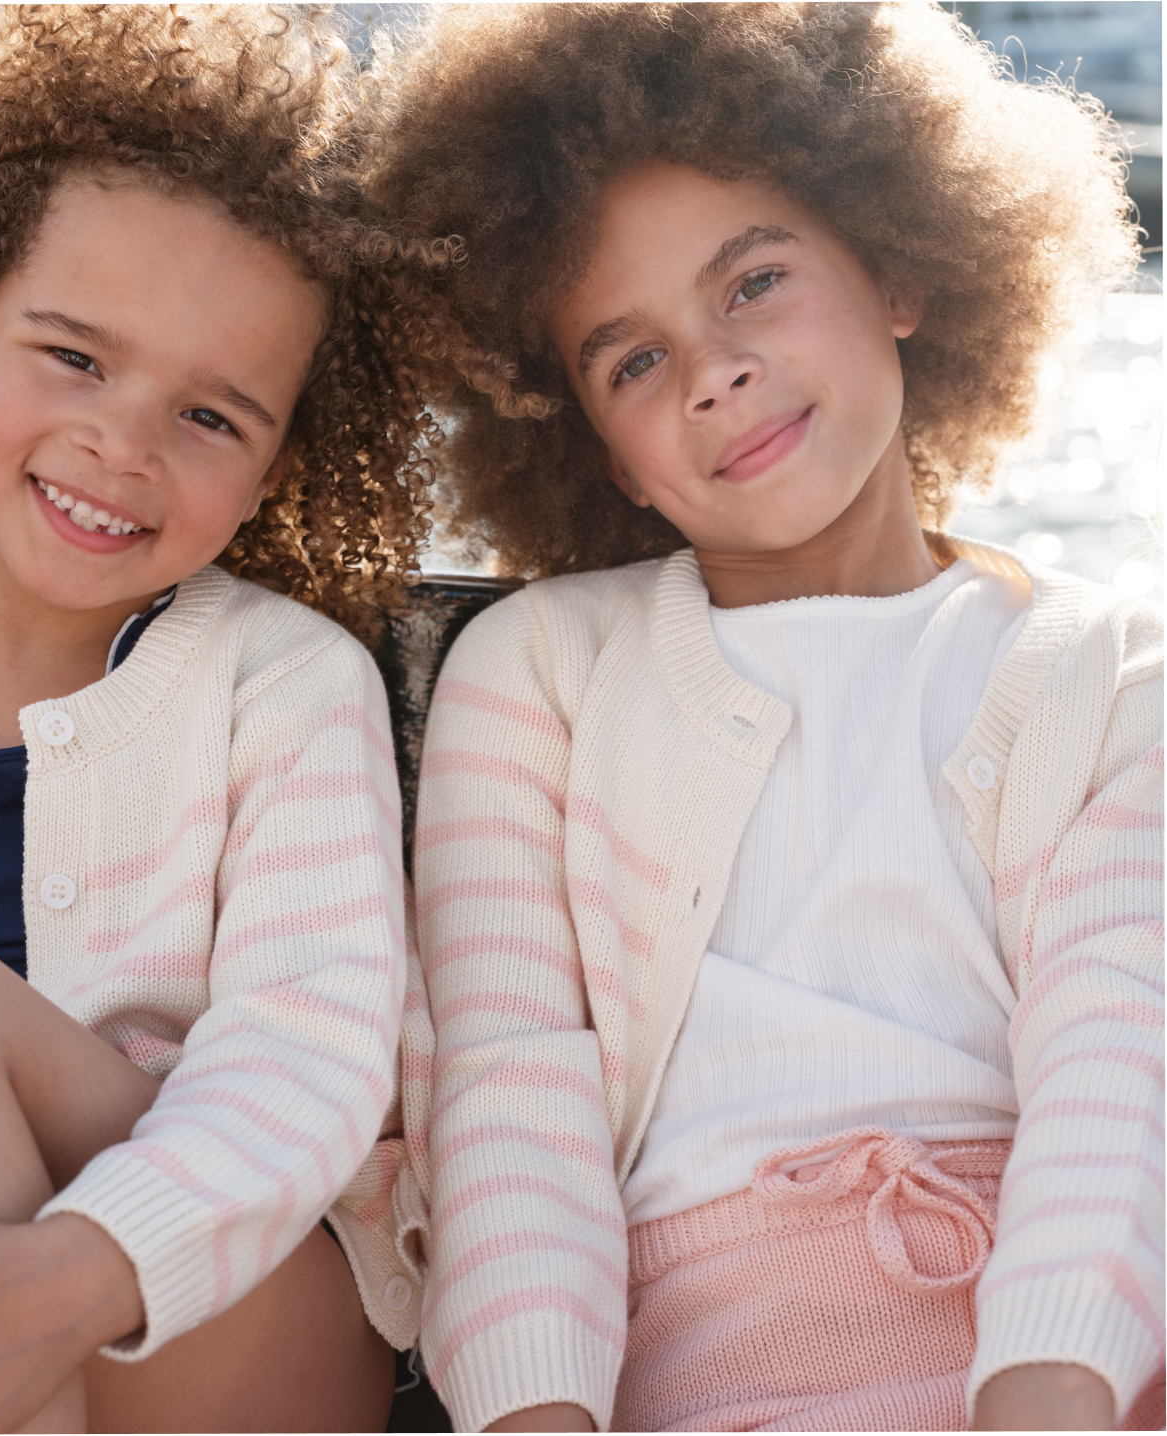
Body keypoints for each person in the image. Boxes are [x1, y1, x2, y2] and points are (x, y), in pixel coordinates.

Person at [374, 3, 1165, 1431]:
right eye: (629, 362)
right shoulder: (541, 676)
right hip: (701, 1369)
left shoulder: (1104, 674)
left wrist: (1045, 1396)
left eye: (750, 284)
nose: (712, 373)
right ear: (595, 453)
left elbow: (1115, 1084)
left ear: (899, 271)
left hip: (1070, 1365)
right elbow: (507, 1107)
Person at [0, 5, 445, 1431]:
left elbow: (306, 1062)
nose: (121, 441)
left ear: (271, 470)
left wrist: (65, 1275)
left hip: (236, 1321)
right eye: (73, 356)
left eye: (210, 417)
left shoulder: (283, 687)